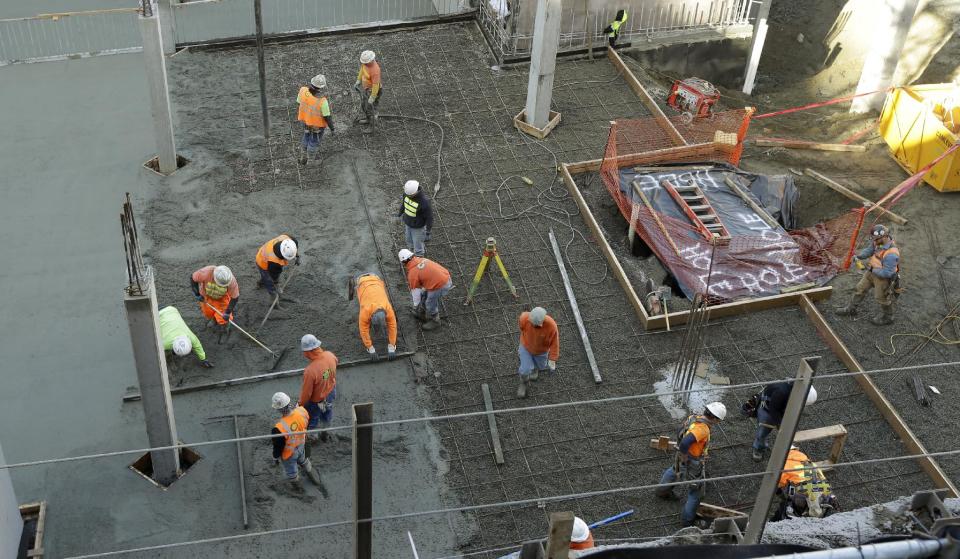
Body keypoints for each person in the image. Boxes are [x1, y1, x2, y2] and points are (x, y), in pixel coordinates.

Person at [655, 402, 726, 526]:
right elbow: (686, 442)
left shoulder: (693, 417)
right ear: (714, 418)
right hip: (691, 460)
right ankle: (687, 522)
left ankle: (662, 491)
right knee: (696, 492)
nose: (718, 422)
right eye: (718, 420)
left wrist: (683, 454)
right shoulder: (702, 429)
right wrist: (686, 457)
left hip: (682, 454)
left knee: (675, 470)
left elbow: (681, 433)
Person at [836, 224, 901, 325]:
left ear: (884, 237)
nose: (874, 241)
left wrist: (872, 269)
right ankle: (851, 309)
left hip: (882, 278)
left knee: (881, 298)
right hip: (871, 272)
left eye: (876, 239)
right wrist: (860, 256)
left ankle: (888, 317)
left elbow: (888, 273)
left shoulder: (891, 253)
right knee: (860, 289)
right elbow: (870, 250)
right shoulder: (877, 242)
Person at [746, 382, 818, 462]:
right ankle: (758, 448)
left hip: (781, 406)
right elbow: (774, 410)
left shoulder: (797, 389)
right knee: (763, 431)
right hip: (768, 409)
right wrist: (780, 424)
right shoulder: (781, 392)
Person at [773, 445, 839, 521]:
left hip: (802, 497)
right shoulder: (809, 463)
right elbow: (822, 478)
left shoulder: (785, 465)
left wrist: (782, 496)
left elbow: (780, 484)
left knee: (786, 505)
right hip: (824, 493)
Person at [270, 392, 322, 486]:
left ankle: (297, 486)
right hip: (302, 445)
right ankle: (311, 474)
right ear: (288, 402)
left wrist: (275, 457)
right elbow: (306, 425)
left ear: (278, 409)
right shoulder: (302, 411)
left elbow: (278, 447)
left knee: (292, 471)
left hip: (289, 454)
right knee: (304, 460)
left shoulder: (278, 428)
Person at [399, 249, 452, 330]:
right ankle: (421, 313)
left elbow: (415, 293)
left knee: (430, 302)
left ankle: (435, 321)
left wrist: (415, 305)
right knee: (424, 293)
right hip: (446, 278)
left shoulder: (413, 273)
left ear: (404, 262)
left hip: (441, 285)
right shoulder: (422, 259)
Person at [299, 334, 339, 442]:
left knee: (313, 418)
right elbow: (335, 364)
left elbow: (306, 394)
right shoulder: (330, 355)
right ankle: (326, 432)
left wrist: (300, 405)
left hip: (317, 401)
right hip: (330, 392)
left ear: (308, 352)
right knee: (327, 411)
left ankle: (312, 437)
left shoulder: (310, 371)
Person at [350, 272, 398, 359]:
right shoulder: (365, 312)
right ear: (371, 317)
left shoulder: (388, 310)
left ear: (385, 316)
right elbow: (363, 331)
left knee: (392, 321)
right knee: (359, 297)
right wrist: (371, 349)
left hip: (376, 279)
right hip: (361, 282)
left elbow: (393, 327)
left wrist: (392, 347)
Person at [516, 307, 559, 399]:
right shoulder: (524, 318)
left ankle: (535, 369)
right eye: (531, 323)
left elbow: (555, 342)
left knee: (541, 366)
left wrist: (552, 359)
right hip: (526, 348)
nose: (532, 325)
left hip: (541, 351)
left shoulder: (551, 326)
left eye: (535, 325)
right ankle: (524, 383)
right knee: (525, 369)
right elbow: (521, 328)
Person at [296, 74, 335, 165]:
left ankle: (303, 158)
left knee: (306, 137)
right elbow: (327, 117)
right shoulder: (322, 101)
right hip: (316, 127)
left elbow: (299, 102)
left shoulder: (303, 90)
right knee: (313, 141)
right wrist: (332, 129)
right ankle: (311, 161)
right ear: (322, 87)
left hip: (305, 121)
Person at [398, 180, 433, 257]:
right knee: (409, 242)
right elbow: (404, 204)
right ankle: (411, 257)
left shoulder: (424, 202)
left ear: (414, 193)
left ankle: (419, 262)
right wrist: (400, 213)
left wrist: (428, 232)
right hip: (408, 223)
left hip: (418, 228)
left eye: (409, 195)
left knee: (418, 248)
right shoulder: (406, 194)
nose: (407, 196)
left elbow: (429, 218)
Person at [353, 50, 382, 127]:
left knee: (371, 108)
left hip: (373, 91)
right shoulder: (365, 64)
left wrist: (372, 97)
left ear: (371, 60)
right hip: (367, 89)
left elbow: (376, 85)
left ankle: (373, 126)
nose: (364, 63)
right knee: (364, 105)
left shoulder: (375, 70)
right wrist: (358, 80)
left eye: (366, 62)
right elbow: (362, 71)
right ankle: (368, 119)